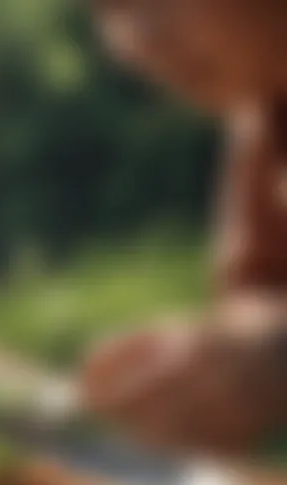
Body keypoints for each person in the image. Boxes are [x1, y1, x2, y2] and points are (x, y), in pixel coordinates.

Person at [82, 0, 287, 454]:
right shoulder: (263, 118)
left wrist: (279, 355)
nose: (137, 41)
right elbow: (261, 287)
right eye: (104, 11)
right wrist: (210, 357)